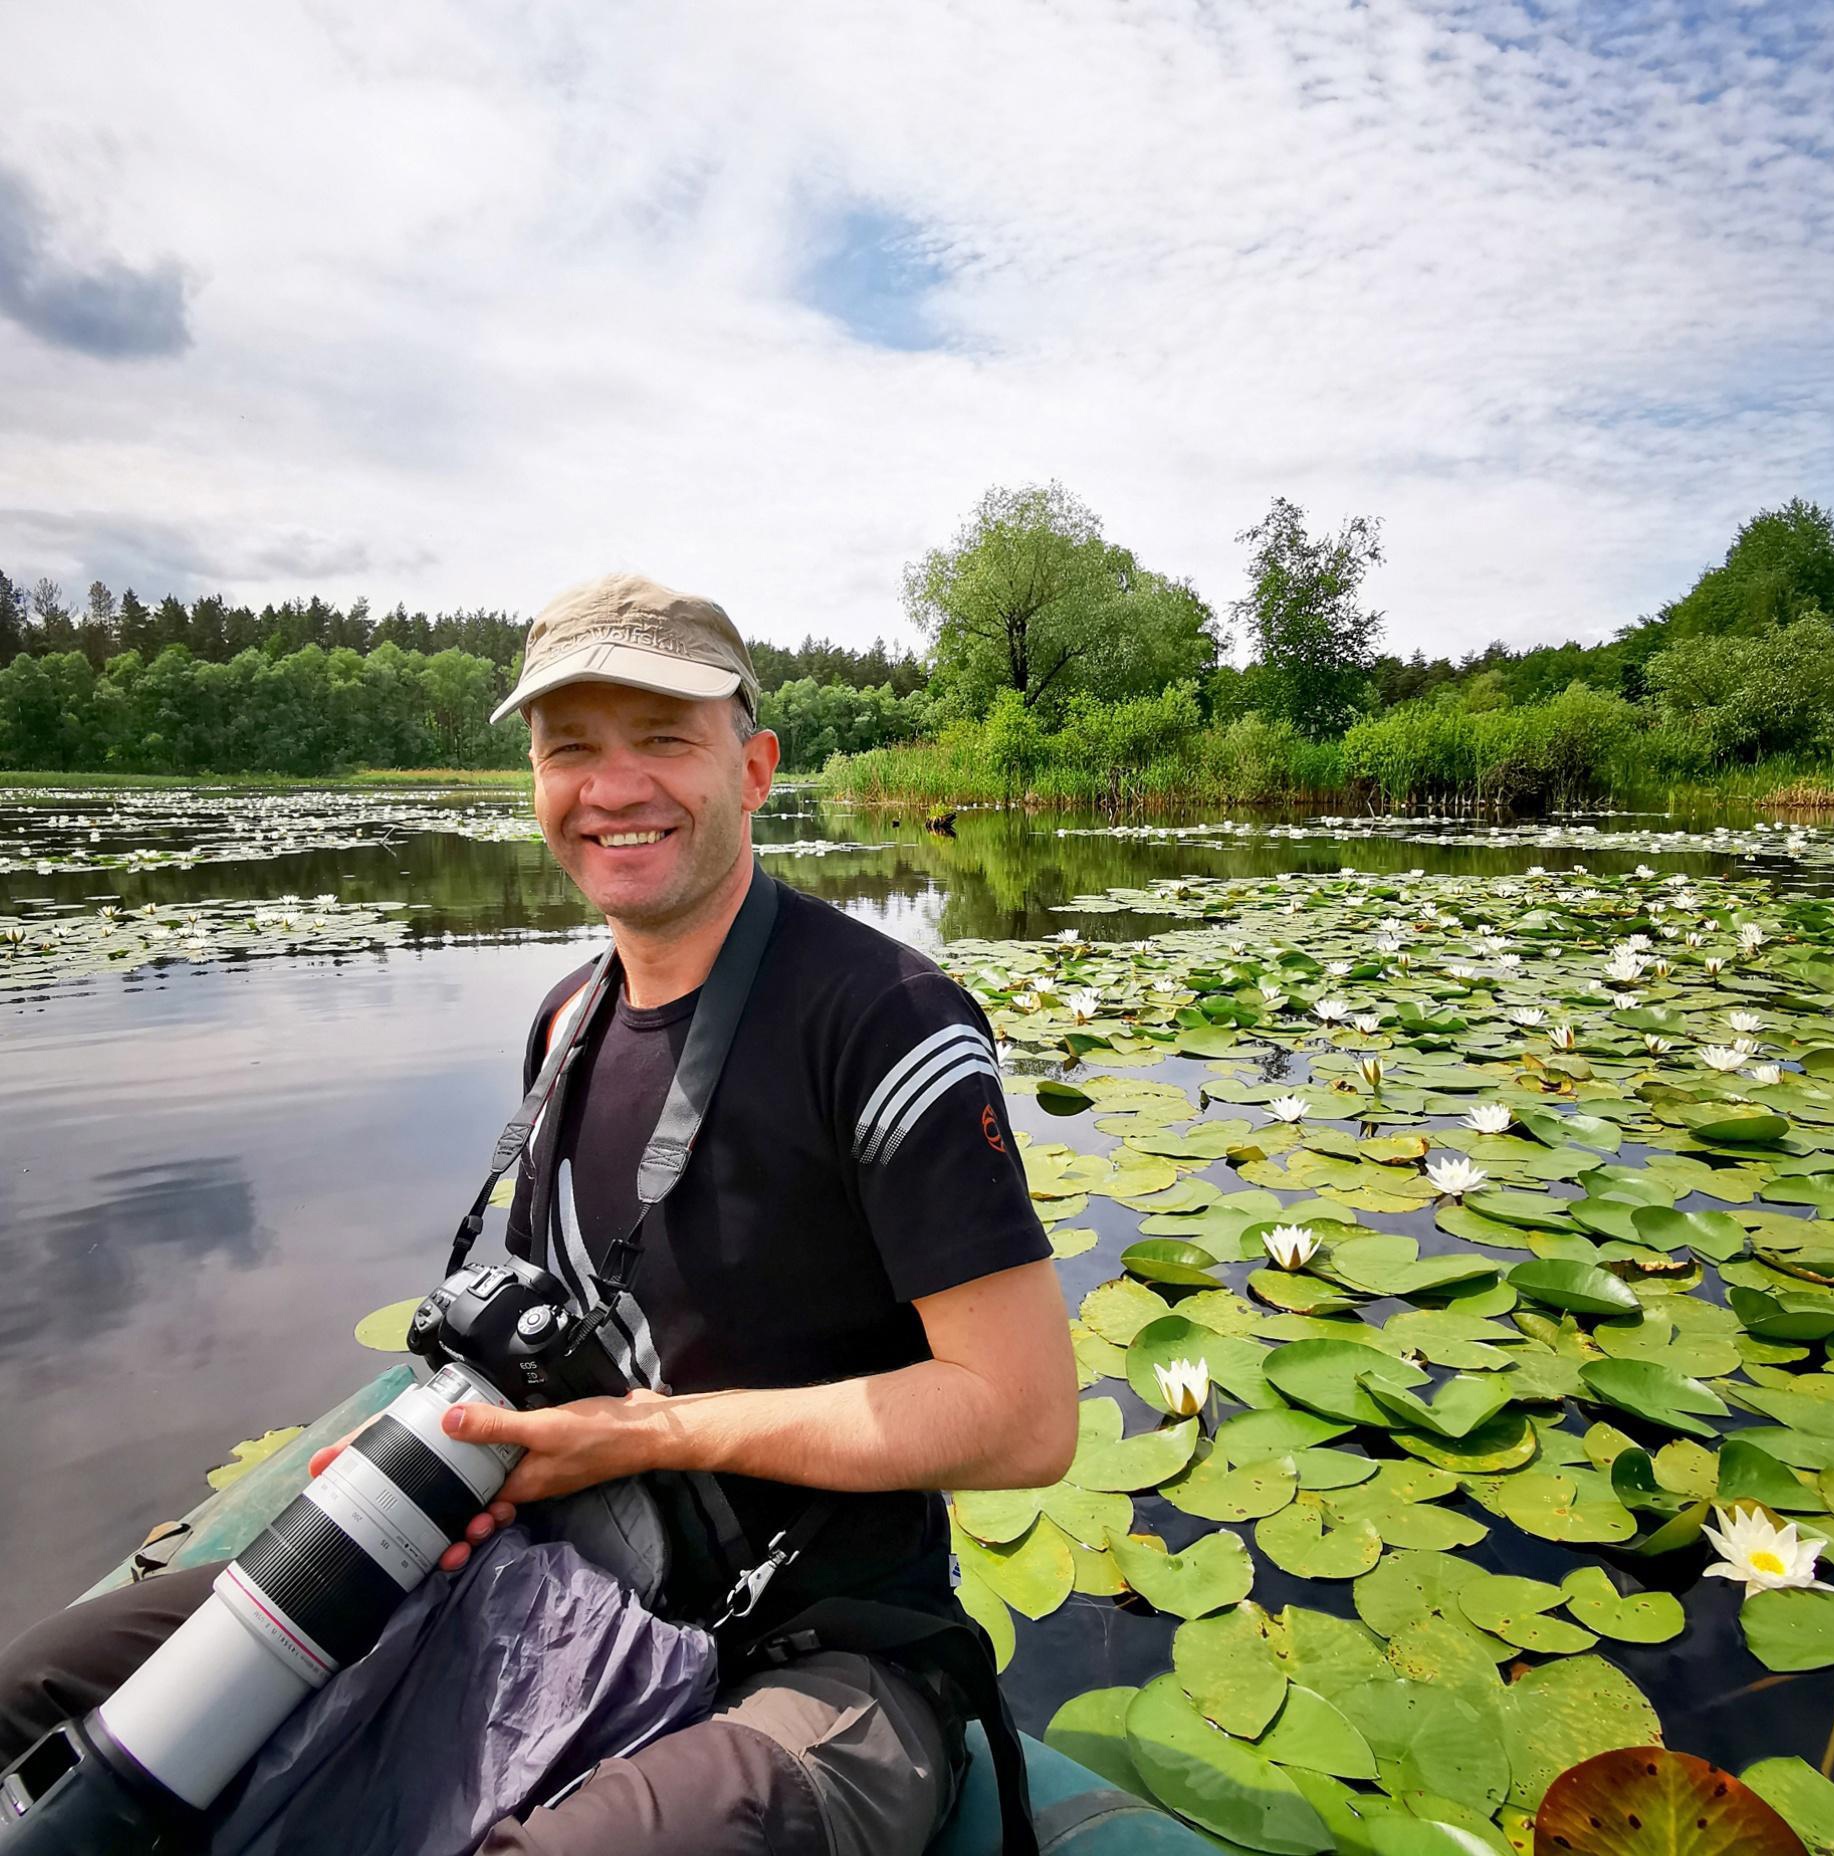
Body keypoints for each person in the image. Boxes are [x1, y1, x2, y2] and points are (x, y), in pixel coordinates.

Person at [0, 571, 1078, 1855]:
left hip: (824, 1649)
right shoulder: (565, 1022)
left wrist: (650, 1434)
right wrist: (442, 1451)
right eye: (571, 748)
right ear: (536, 781)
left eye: (665, 738)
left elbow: (1021, 1416)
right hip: (557, 1570)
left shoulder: (883, 1020)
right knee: (46, 1689)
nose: (613, 788)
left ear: (754, 768)